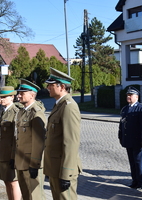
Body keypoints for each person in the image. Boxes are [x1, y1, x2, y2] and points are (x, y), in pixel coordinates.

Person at [44, 67, 82, 200]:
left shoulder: (69, 107)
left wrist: (67, 173)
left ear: (61, 87)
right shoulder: (59, 105)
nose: (48, 87)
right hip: (55, 167)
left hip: (63, 169)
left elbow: (71, 142)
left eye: (51, 85)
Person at [15, 79, 46, 200]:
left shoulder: (36, 113)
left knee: (35, 197)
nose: (18, 95)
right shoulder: (22, 112)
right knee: (26, 196)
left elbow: (39, 142)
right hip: (21, 161)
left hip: (31, 163)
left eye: (22, 93)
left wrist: (35, 164)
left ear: (32, 95)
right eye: (19, 93)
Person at [0, 86, 22, 200]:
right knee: (6, 181)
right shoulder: (3, 111)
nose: (2, 99)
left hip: (11, 154)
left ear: (12, 97)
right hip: (2, 153)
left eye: (5, 96)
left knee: (13, 182)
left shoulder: (15, 112)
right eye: (1, 96)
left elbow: (17, 137)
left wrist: (13, 156)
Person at [118, 86, 142, 189]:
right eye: (127, 95)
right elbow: (121, 125)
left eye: (131, 95)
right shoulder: (125, 108)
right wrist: (121, 137)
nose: (128, 97)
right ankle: (134, 181)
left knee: (139, 163)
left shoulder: (141, 108)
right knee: (132, 163)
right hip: (128, 140)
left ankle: (141, 182)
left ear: (137, 97)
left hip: (138, 141)